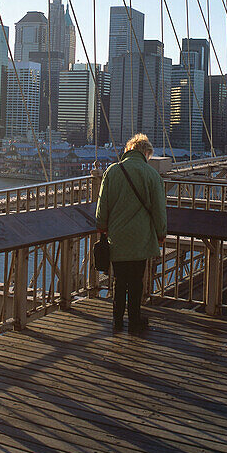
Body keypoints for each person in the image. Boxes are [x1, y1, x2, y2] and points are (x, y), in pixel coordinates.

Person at [95, 133, 167, 334]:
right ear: (146, 153)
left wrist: (102, 227)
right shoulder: (152, 175)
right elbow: (159, 211)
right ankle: (134, 320)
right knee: (136, 281)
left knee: (119, 280)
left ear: (128, 150)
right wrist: (161, 233)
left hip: (117, 237)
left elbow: (103, 205)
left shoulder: (113, 171)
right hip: (141, 238)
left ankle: (117, 321)